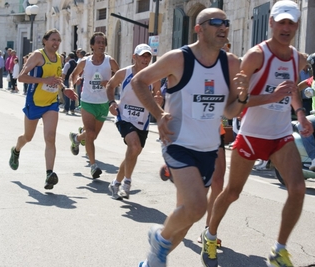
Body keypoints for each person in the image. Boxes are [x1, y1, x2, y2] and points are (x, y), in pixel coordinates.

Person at [131, 8, 248, 266]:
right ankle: (160, 239)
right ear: (199, 28)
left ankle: (151, 261)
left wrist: (242, 96)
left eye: (226, 23)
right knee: (197, 207)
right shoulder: (179, 59)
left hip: (208, 149)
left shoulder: (230, 63)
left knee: (185, 218)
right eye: (216, 22)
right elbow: (139, 81)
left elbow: (229, 111)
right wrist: (159, 114)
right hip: (178, 143)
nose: (223, 27)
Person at [200, 2, 313, 267]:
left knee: (297, 188)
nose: (286, 28)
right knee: (232, 193)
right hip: (251, 133)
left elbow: (291, 89)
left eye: (291, 23)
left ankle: (279, 250)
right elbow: (235, 103)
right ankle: (210, 234)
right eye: (281, 22)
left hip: (281, 134)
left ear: (297, 26)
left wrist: (299, 113)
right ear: (271, 23)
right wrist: (271, 97)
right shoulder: (256, 56)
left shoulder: (297, 58)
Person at [8, 29, 77, 190]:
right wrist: (43, 80)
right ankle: (16, 149)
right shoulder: (38, 56)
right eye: (53, 39)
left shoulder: (60, 59)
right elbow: (21, 77)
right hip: (34, 102)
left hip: (51, 103)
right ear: (45, 40)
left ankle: (49, 174)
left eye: (59, 40)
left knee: (50, 137)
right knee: (28, 137)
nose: (56, 43)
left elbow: (57, 80)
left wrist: (65, 88)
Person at [106, 44, 162, 200]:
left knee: (133, 152)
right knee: (134, 145)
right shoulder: (124, 73)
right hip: (124, 116)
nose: (145, 59)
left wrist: (158, 100)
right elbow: (110, 86)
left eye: (148, 56)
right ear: (134, 57)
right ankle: (127, 184)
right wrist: (111, 103)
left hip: (142, 120)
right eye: (142, 56)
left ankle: (116, 183)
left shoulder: (154, 77)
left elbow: (158, 97)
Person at [67, 32, 119, 179]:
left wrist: (110, 83)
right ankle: (93, 165)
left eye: (103, 42)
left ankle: (76, 138)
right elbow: (73, 75)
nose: (101, 45)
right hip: (88, 101)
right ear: (92, 45)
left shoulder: (110, 61)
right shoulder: (85, 61)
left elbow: (120, 77)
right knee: (90, 134)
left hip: (103, 103)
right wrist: (72, 84)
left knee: (93, 135)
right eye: (98, 42)